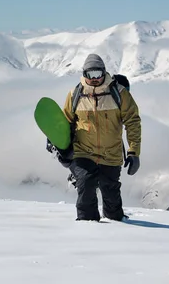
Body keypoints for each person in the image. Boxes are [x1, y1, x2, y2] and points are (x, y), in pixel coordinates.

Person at [48, 53, 142, 221]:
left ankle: (116, 223)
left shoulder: (119, 93)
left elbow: (133, 122)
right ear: (84, 74)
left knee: (111, 193)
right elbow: (66, 122)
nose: (94, 79)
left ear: (104, 72)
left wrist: (134, 152)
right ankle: (86, 225)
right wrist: (55, 141)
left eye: (98, 74)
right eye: (90, 74)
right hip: (84, 152)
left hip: (111, 154)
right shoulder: (75, 94)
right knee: (86, 184)